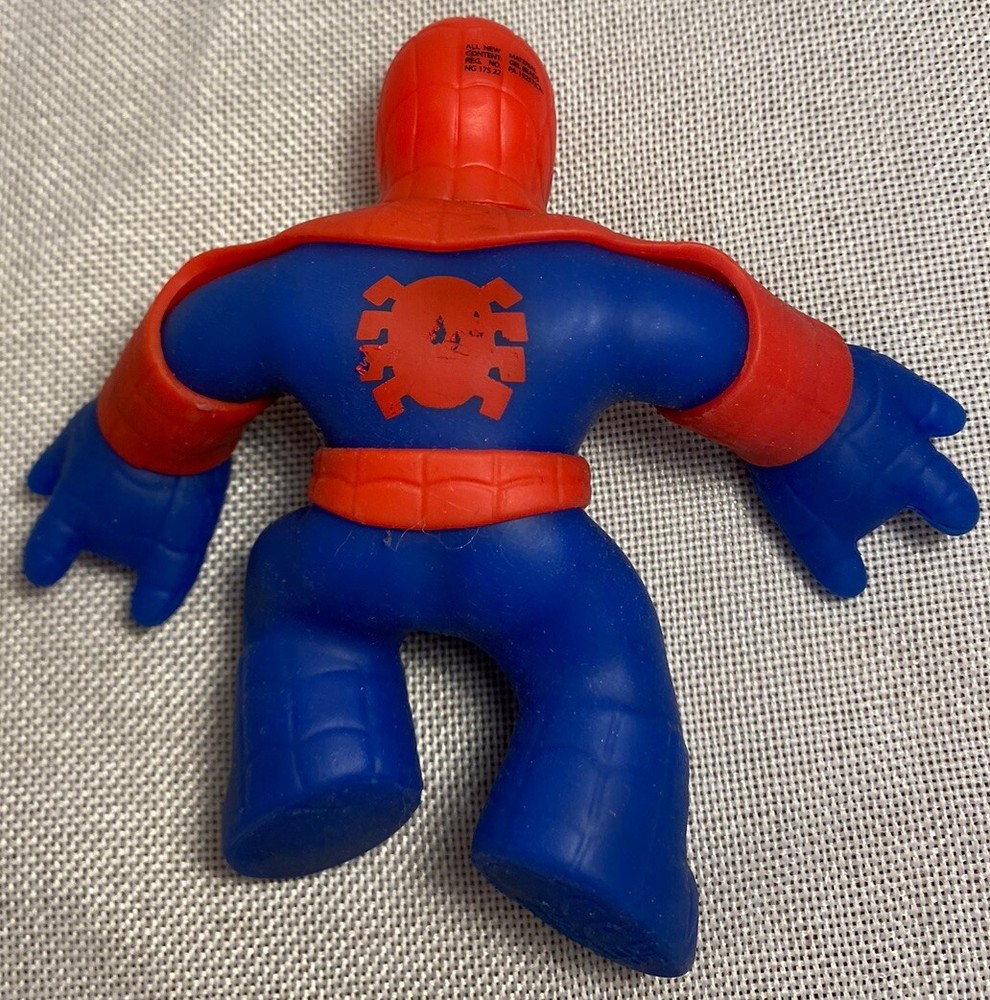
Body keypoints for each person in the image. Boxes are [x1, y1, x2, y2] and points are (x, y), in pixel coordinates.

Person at [23, 17, 978, 978]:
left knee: (292, 601)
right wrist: (842, 428)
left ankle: (316, 760)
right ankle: (596, 841)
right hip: (531, 557)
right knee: (603, 675)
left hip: (344, 548)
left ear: (392, 138)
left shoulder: (297, 282)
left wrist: (139, 470)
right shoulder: (593, 285)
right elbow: (721, 344)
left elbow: (189, 342)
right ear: (536, 147)